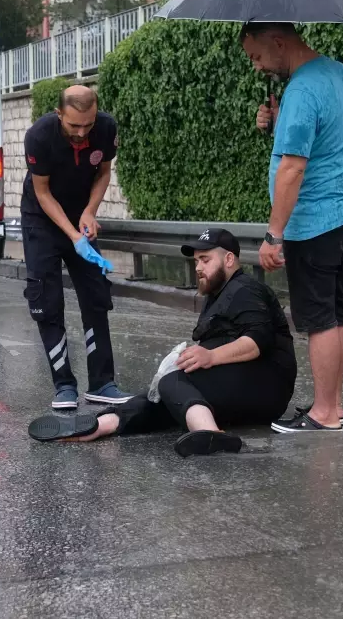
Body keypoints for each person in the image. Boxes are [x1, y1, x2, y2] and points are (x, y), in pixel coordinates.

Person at [27, 229, 297, 456]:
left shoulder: (245, 289)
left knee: (173, 382)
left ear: (229, 259)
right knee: (160, 395)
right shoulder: (218, 296)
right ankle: (102, 424)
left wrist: (211, 357)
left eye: (205, 259)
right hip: (244, 385)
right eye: (196, 262)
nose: (199, 268)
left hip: (267, 385)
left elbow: (257, 341)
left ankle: (211, 435)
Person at [243, 22, 343, 433]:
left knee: (317, 319)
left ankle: (324, 413)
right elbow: (327, 136)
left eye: (257, 56)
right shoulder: (339, 73)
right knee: (334, 312)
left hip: (314, 221)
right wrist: (279, 122)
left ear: (278, 42)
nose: (257, 67)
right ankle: (335, 405)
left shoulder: (300, 90)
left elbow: (294, 166)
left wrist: (273, 234)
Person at [22, 85, 132, 410]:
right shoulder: (39, 137)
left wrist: (89, 212)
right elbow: (42, 193)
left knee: (96, 294)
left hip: (80, 216)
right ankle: (64, 386)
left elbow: (103, 172)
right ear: (59, 115)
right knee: (47, 299)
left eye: (88, 124)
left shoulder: (106, 128)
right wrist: (73, 235)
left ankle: (102, 383)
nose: (82, 133)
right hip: (42, 219)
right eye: (74, 126)